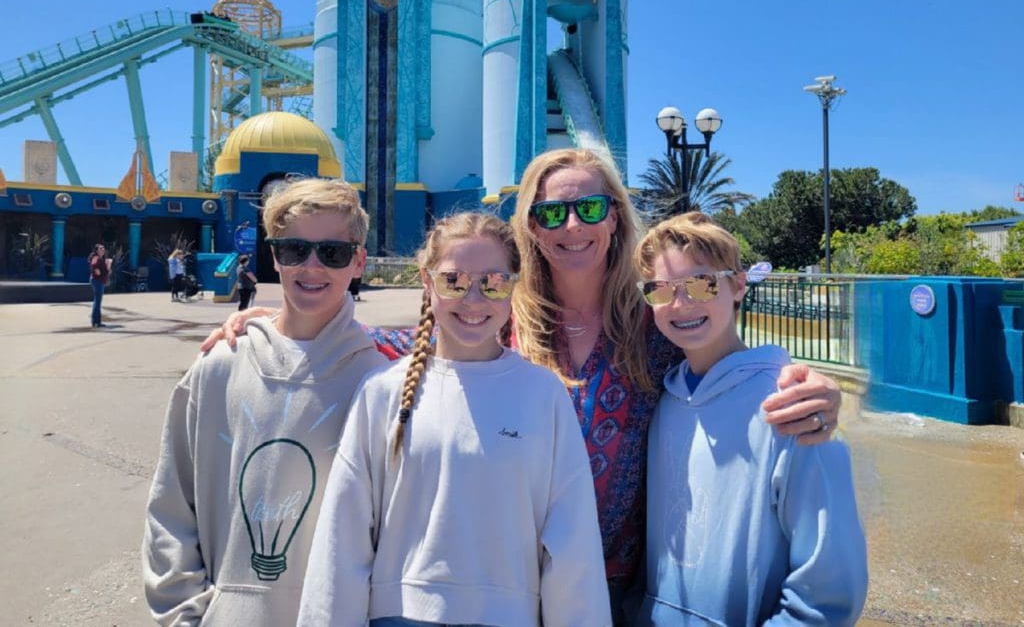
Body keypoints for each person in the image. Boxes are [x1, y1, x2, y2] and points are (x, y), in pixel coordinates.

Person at [201, 149, 844, 622]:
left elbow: (720, 352)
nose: (572, 227)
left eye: (590, 208)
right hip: (512, 588)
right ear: (530, 226)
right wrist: (280, 321)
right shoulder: (503, 320)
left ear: (617, 217)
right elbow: (403, 347)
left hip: (625, 595)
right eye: (552, 213)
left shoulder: (652, 323)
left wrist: (797, 378)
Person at [297, 212, 610, 626]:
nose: (474, 300)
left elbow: (573, 545)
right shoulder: (382, 391)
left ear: (514, 288)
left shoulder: (543, 394)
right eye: (454, 281)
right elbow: (343, 537)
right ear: (427, 283)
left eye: (494, 283)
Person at [142, 178, 385, 626]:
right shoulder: (219, 365)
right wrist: (186, 615)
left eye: (332, 252)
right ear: (274, 256)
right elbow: (172, 502)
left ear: (359, 261)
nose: (312, 267)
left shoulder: (380, 382)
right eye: (294, 250)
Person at [632, 212, 867, 625]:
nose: (680, 303)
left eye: (701, 284)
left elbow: (827, 597)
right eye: (660, 290)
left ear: (738, 285)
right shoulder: (662, 402)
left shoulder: (796, 410)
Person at [88, 243, 110, 328]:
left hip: (99, 281)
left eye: (103, 248)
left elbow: (107, 272)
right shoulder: (96, 257)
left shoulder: (101, 258)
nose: (103, 249)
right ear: (96, 250)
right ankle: (96, 322)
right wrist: (98, 271)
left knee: (97, 301)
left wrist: (108, 265)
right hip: (97, 281)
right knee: (97, 301)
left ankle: (97, 321)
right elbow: (94, 267)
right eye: (101, 248)